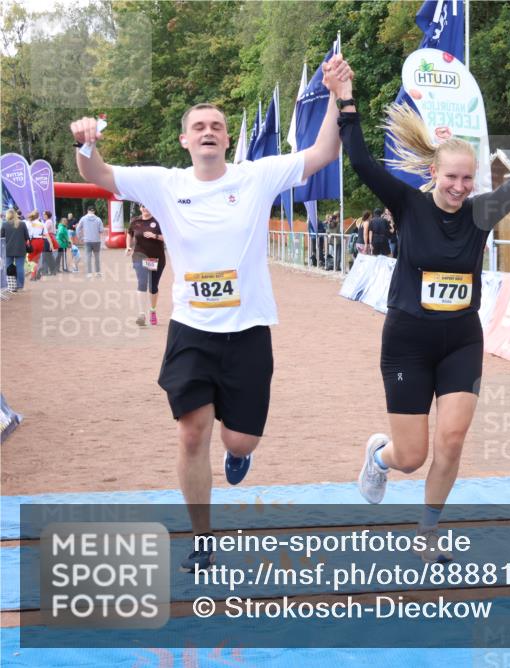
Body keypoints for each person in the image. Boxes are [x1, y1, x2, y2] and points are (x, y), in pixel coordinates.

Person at [70, 55, 346, 572]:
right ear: (185, 140)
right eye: (198, 126)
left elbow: (324, 151)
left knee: (238, 437)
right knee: (191, 431)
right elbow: (99, 173)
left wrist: (335, 95)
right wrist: (86, 142)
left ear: (224, 139)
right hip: (192, 330)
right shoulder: (164, 183)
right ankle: (202, 538)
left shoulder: (257, 176)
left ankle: (238, 453)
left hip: (248, 332)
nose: (209, 132)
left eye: (217, 126)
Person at [330, 53, 510, 562]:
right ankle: (378, 456)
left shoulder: (481, 213)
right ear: (434, 172)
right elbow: (363, 161)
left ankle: (428, 532)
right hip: (408, 341)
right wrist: (347, 102)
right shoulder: (408, 205)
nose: (459, 187)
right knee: (411, 456)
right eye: (451, 177)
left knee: (451, 442)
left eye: (467, 179)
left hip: (460, 340)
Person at [126, 204, 167, 326]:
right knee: (142, 283)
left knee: (153, 287)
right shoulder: (135, 221)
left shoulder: (159, 220)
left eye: (148, 206)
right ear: (140, 208)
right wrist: (128, 246)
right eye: (143, 207)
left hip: (156, 258)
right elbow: (129, 233)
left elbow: (169, 237)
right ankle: (141, 314)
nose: (145, 209)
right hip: (139, 256)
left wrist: (155, 236)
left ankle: (152, 311)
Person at [1, 209, 30, 291]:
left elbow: (1, 237)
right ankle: (20, 285)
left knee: (7, 267)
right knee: (20, 267)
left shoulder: (4, 224)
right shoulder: (22, 224)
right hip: (20, 249)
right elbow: (27, 237)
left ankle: (8, 284)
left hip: (8, 249)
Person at [76, 206, 105, 277]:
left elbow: (78, 229)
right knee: (97, 257)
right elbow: (101, 230)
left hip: (87, 240)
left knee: (88, 257)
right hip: (96, 241)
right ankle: (98, 272)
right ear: (94, 211)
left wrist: (80, 238)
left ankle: (89, 273)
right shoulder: (98, 219)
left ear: (87, 211)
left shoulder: (83, 218)